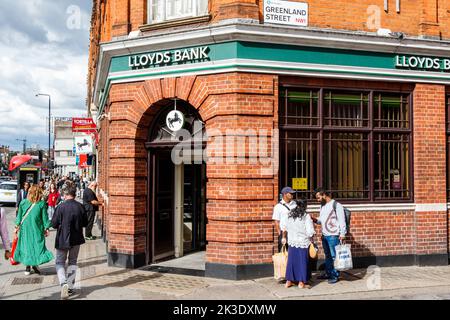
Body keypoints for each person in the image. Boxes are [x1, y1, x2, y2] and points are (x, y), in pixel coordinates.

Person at [52, 181, 88, 299]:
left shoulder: (60, 207)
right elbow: (85, 223)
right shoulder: (80, 206)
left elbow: (54, 224)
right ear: (75, 194)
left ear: (66, 194)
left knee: (59, 262)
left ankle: (63, 283)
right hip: (76, 239)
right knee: (72, 262)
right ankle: (71, 287)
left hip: (62, 239)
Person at [14, 185, 53, 275]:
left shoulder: (23, 203)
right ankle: (34, 265)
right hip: (37, 229)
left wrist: (16, 227)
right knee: (37, 246)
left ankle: (28, 267)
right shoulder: (41, 204)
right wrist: (47, 228)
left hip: (25, 229)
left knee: (27, 246)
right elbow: (45, 218)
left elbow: (19, 217)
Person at [311, 188, 347, 284]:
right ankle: (328, 273)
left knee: (335, 256)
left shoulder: (336, 205)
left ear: (324, 195)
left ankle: (334, 275)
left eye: (318, 197)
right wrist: (314, 219)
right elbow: (321, 221)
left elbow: (342, 220)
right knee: (328, 256)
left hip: (334, 235)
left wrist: (342, 234)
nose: (317, 200)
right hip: (325, 235)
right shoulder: (322, 206)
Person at [281, 199, 315, 289]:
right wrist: (312, 237)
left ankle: (288, 281)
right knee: (302, 262)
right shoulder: (305, 216)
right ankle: (301, 282)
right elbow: (310, 231)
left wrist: (284, 237)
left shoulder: (290, 214)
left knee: (291, 262)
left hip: (292, 242)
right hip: (303, 242)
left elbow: (284, 227)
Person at [272, 187, 297, 252]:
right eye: (290, 193)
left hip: (295, 232)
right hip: (284, 233)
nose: (292, 195)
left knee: (293, 252)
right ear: (285, 194)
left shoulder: (295, 204)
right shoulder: (278, 207)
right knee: (283, 253)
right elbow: (276, 221)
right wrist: (280, 234)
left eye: (292, 193)